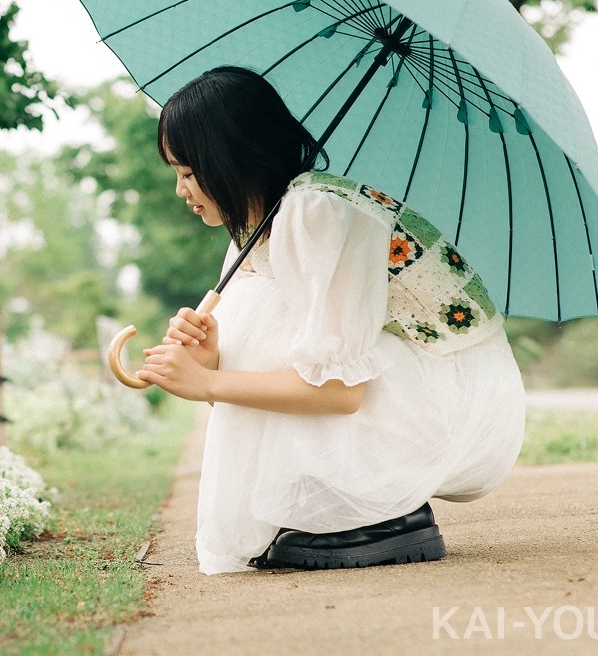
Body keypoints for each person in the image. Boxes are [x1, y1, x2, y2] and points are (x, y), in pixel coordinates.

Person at [134, 65, 525, 572]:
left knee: (266, 321)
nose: (181, 190)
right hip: (402, 387)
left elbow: (341, 390)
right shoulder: (259, 230)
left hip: (448, 399)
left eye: (188, 172)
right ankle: (327, 504)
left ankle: (366, 510)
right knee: (251, 314)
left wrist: (207, 384)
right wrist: (211, 357)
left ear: (229, 157)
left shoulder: (316, 211)